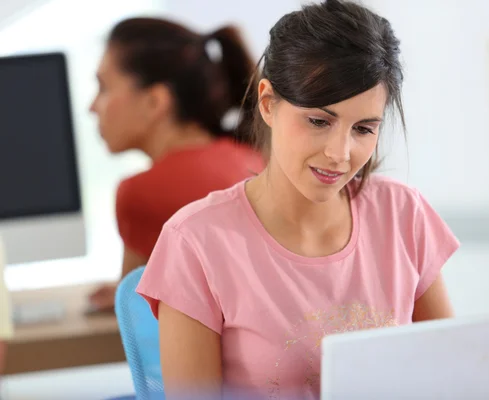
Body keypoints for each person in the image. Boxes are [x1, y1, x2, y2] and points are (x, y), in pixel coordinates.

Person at [137, 0, 460, 398]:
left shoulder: (402, 214)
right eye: (319, 121)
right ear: (269, 103)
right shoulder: (196, 242)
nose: (339, 154)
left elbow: (452, 376)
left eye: (363, 129)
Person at [88, 17, 264, 311]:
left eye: (103, 88)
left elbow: (132, 302)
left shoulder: (140, 193)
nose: (92, 107)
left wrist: (120, 293)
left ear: (155, 102)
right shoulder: (252, 157)